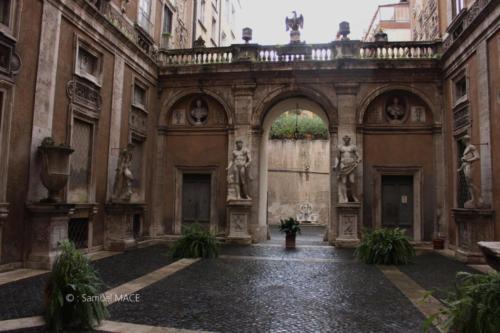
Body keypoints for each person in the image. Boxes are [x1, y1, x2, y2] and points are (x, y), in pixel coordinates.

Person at [457, 135, 482, 208]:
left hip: (469, 166)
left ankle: (480, 197)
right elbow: (464, 161)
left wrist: (468, 160)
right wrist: (460, 169)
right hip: (465, 166)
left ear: (465, 140)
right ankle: (473, 199)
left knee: (470, 183)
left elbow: (477, 157)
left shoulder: (471, 147)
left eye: (463, 140)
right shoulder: (466, 148)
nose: (463, 141)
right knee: (468, 184)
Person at [334, 135, 360, 203]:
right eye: (345, 138)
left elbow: (358, 156)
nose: (346, 140)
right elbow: (337, 157)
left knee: (352, 181)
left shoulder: (353, 147)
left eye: (347, 138)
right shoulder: (340, 147)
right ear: (343, 139)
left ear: (349, 139)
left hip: (351, 165)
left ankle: (353, 196)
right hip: (343, 165)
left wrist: (358, 161)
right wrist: (335, 165)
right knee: (344, 182)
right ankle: (345, 198)